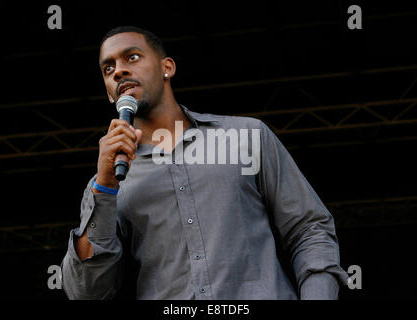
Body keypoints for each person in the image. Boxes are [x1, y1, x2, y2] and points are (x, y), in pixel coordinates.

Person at [61, 26, 348, 300]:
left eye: (132, 57)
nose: (119, 70)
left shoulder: (246, 136)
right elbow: (86, 292)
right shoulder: (105, 181)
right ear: (109, 92)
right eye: (107, 69)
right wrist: (105, 187)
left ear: (167, 68)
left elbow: (309, 230)